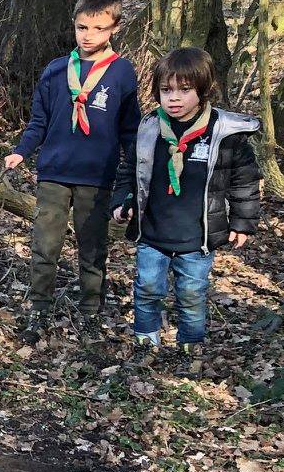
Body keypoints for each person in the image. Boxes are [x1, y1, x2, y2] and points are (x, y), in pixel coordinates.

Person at [3, 0, 141, 343]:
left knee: (92, 247)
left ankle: (91, 311)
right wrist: (22, 150)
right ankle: (38, 309)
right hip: (54, 173)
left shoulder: (122, 72)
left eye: (98, 29)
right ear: (74, 25)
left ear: (115, 28)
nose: (88, 36)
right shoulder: (55, 70)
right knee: (45, 246)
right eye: (82, 28)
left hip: (97, 176)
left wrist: (138, 171)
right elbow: (39, 121)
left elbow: (129, 129)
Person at [110, 46, 258, 371]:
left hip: (196, 239)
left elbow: (244, 180)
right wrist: (123, 202)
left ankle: (190, 348)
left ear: (203, 91)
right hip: (152, 234)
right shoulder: (150, 128)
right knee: (148, 290)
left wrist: (242, 222)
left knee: (191, 297)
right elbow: (129, 171)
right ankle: (145, 342)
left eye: (184, 90)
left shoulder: (223, 133)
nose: (173, 98)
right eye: (166, 90)